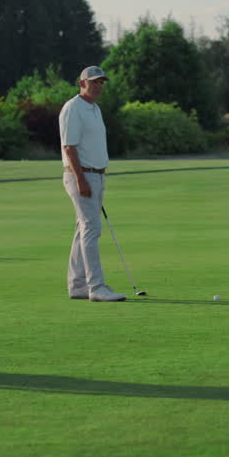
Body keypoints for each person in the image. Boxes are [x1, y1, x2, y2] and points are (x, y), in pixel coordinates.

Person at [60, 65, 125, 302]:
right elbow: (69, 146)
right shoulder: (73, 108)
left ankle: (77, 286)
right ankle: (96, 287)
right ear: (82, 83)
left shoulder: (94, 109)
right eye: (94, 82)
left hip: (96, 175)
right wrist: (81, 180)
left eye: (101, 82)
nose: (98, 86)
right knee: (91, 229)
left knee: (83, 229)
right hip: (82, 175)